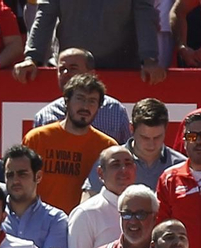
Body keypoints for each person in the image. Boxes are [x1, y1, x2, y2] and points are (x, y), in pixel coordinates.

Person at [21, 75, 118, 216]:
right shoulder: (36, 138)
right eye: (80, 99)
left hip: (84, 224)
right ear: (66, 101)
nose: (85, 106)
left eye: (92, 101)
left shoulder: (107, 147)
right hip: (39, 221)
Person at [13, 0, 166, 77]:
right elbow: (45, 14)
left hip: (120, 70)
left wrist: (149, 58)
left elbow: (144, 13)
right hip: (72, 73)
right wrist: (32, 58)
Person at [27, 48, 134, 143]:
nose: (65, 73)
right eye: (61, 69)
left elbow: (128, 152)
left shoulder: (115, 111)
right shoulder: (45, 115)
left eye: (73, 68)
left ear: (91, 73)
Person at [68, 147, 138, 248]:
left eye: (128, 164)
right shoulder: (86, 213)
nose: (123, 170)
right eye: (115, 165)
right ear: (100, 173)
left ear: (135, 169)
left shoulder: (148, 209)